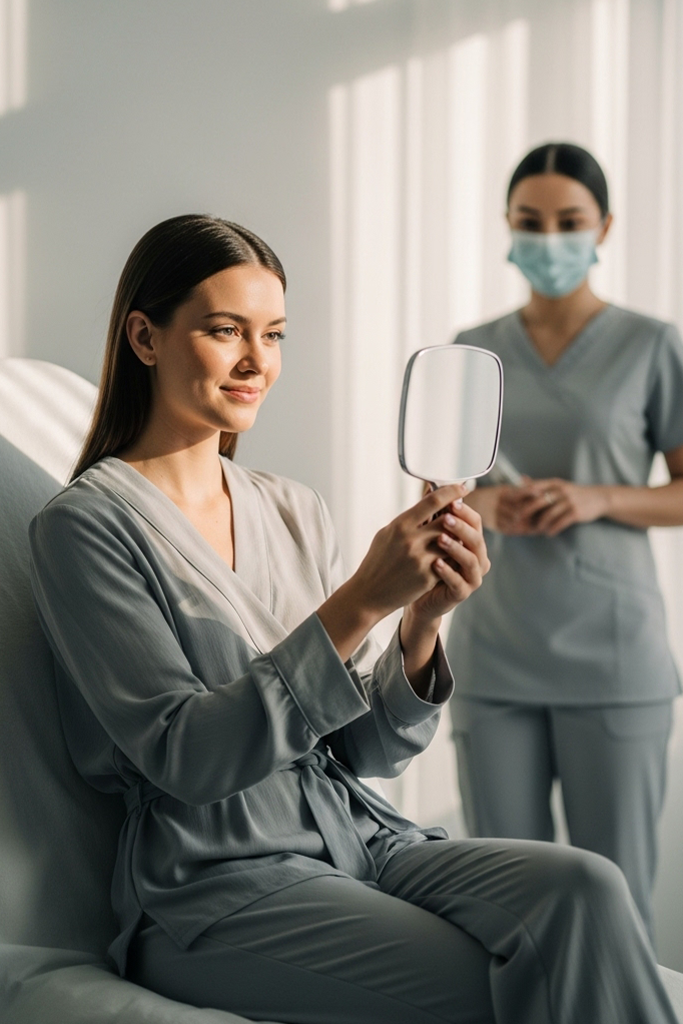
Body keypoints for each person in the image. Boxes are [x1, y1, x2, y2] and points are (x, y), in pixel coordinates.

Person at [29, 214, 677, 1024]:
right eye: (225, 330)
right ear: (144, 337)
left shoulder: (293, 509)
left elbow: (361, 751)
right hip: (216, 883)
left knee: (586, 884)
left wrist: (420, 623)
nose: (256, 360)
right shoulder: (84, 528)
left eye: (273, 334)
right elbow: (187, 758)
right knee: (509, 982)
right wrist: (363, 599)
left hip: (362, 842)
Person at [447, 141, 683, 945]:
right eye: (530, 221)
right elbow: (442, 490)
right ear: (506, 225)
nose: (548, 239)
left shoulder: (650, 345)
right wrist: (488, 502)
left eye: (568, 221)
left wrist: (596, 497)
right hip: (494, 655)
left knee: (613, 911)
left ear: (603, 227)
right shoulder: (471, 350)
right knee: (499, 914)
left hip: (612, 662)